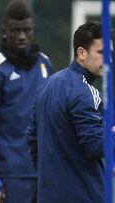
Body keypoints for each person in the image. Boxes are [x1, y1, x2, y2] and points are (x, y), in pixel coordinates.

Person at [0, 0, 52, 202]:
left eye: (26, 30)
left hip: (46, 173)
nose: (22, 36)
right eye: (15, 31)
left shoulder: (44, 63)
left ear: (32, 29)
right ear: (4, 31)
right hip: (11, 175)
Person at [26, 22, 107, 203]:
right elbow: (95, 146)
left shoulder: (47, 86)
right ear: (81, 53)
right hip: (83, 195)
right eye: (101, 53)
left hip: (48, 195)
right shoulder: (85, 92)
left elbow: (32, 139)